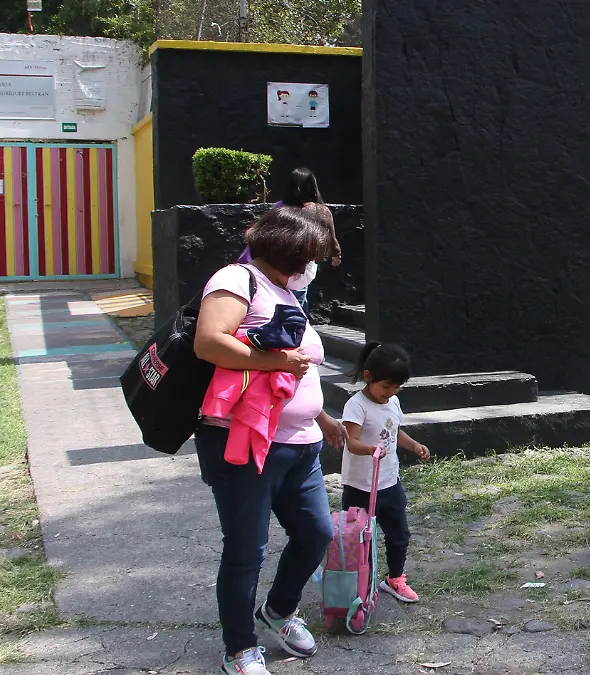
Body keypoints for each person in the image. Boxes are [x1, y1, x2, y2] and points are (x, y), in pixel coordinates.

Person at [193, 205, 347, 675]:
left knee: (316, 533)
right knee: (246, 550)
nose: (312, 265)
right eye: (310, 255)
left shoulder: (285, 290)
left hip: (301, 444)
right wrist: (276, 362)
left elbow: (297, 372)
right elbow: (209, 341)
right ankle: (239, 648)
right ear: (289, 252)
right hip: (246, 443)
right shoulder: (236, 280)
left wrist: (321, 416)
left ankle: (278, 610)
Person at [340, 343, 431, 604]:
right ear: (368, 377)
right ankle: (361, 582)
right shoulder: (356, 406)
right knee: (361, 538)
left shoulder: (393, 402)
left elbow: (394, 431)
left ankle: (395, 578)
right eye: (386, 386)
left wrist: (414, 445)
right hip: (360, 486)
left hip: (389, 482)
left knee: (399, 534)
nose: (390, 393)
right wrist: (371, 450)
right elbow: (352, 442)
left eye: (396, 388)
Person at [238, 167, 342, 314]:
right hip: (301, 266)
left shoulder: (280, 207)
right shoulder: (320, 210)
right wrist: (336, 255)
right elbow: (332, 239)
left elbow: (257, 231)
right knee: (298, 299)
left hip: (276, 264)